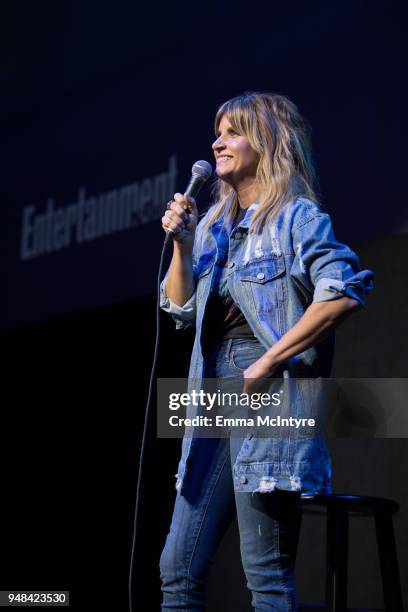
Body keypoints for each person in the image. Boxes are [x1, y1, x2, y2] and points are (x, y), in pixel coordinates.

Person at [158, 92, 374, 611]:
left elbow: (344, 291)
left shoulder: (296, 218)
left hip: (267, 392)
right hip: (209, 392)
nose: (217, 141)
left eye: (232, 131)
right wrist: (184, 246)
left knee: (266, 575)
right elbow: (179, 311)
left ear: (266, 142)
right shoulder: (211, 226)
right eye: (217, 131)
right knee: (176, 571)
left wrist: (270, 360)